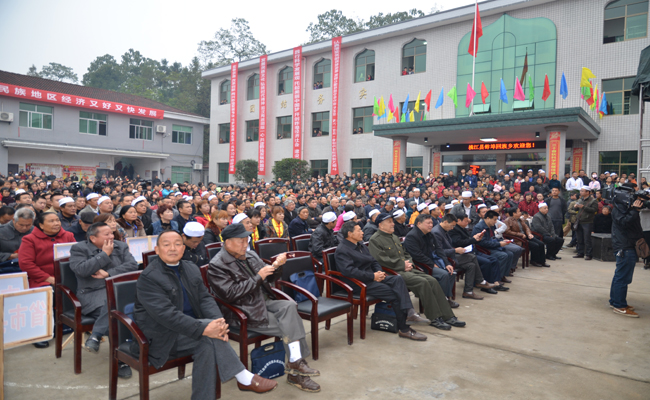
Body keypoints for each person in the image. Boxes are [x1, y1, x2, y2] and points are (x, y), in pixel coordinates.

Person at [134, 230, 278, 398]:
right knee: (209, 338)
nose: (172, 248)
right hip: (163, 334)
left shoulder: (189, 268)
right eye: (166, 245)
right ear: (157, 250)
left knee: (209, 343)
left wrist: (218, 322)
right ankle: (243, 377)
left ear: (183, 248)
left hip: (190, 329)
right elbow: (167, 315)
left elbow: (204, 298)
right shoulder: (149, 278)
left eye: (177, 244)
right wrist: (205, 328)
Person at [208, 224, 322, 392]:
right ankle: (297, 373)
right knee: (291, 326)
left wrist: (276, 266)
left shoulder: (250, 254)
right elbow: (230, 295)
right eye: (240, 241)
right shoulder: (217, 265)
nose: (245, 244)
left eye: (246, 240)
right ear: (227, 242)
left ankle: (296, 363)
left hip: (263, 301)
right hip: (244, 310)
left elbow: (268, 279)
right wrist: (258, 277)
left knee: (290, 306)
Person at [335, 221, 428, 341]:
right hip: (358, 283)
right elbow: (349, 272)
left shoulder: (360, 244)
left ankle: (410, 313)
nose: (362, 232)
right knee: (394, 294)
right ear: (350, 234)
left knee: (398, 279)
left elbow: (373, 261)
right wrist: (372, 276)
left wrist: (379, 273)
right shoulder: (342, 250)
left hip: (371, 277)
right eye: (359, 230)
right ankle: (404, 329)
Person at [368, 214, 463, 330]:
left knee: (432, 280)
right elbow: (380, 260)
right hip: (393, 272)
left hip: (406, 269)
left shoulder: (393, 237)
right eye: (389, 222)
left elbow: (405, 253)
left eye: (392, 221)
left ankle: (448, 315)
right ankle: (434, 317)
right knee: (423, 282)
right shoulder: (375, 240)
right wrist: (402, 265)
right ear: (380, 225)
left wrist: (409, 263)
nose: (393, 223)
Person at [69, 222, 138, 378]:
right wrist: (104, 254)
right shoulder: (79, 248)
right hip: (93, 293)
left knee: (126, 305)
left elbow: (133, 266)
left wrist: (109, 273)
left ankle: (96, 335)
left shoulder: (120, 246)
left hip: (118, 290)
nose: (111, 237)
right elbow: (82, 270)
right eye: (106, 234)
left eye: (111, 233)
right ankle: (121, 360)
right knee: (117, 313)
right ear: (93, 238)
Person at [433, 213, 499, 297]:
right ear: (445, 222)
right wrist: (455, 250)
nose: (452, 228)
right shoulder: (437, 232)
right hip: (444, 259)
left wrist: (473, 239)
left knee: (471, 265)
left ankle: (468, 292)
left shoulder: (444, 230)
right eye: (452, 226)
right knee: (472, 257)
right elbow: (438, 251)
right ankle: (480, 281)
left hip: (451, 255)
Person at [402, 214, 456, 304]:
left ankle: (443, 297)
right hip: (419, 265)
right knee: (443, 274)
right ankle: (442, 301)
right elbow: (417, 255)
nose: (431, 225)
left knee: (450, 271)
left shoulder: (429, 233)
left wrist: (447, 263)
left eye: (431, 222)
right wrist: (432, 264)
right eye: (428, 223)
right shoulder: (412, 236)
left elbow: (439, 249)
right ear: (419, 224)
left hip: (430, 261)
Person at [609, 184, 644, 317]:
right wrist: (635, 210)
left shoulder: (623, 207)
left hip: (626, 245)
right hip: (625, 247)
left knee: (620, 276)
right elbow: (625, 222)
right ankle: (619, 306)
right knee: (623, 278)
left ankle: (615, 301)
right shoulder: (619, 209)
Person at [448, 214, 505, 290]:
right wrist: (474, 239)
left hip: (473, 250)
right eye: (465, 221)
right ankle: (484, 284)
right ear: (458, 221)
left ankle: (495, 281)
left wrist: (476, 238)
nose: (467, 223)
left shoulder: (463, 228)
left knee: (494, 260)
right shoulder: (454, 230)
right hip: (464, 253)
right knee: (486, 262)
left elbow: (469, 240)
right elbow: (459, 243)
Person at [472, 210, 519, 284]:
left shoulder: (491, 226)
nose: (496, 221)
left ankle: (502, 275)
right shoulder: (479, 227)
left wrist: (501, 242)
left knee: (510, 254)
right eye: (494, 219)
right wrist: (499, 244)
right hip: (484, 249)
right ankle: (496, 278)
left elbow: (492, 238)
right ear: (488, 218)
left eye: (496, 219)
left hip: (492, 245)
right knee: (503, 255)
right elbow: (482, 243)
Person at [573, 186, 598, 260]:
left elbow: (594, 210)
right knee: (579, 238)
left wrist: (583, 207)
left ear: (588, 192)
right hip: (579, 220)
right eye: (581, 191)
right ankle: (580, 252)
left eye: (582, 191)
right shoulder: (581, 199)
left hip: (587, 221)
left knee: (587, 239)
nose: (581, 192)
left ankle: (589, 254)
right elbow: (576, 208)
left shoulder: (593, 200)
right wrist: (576, 206)